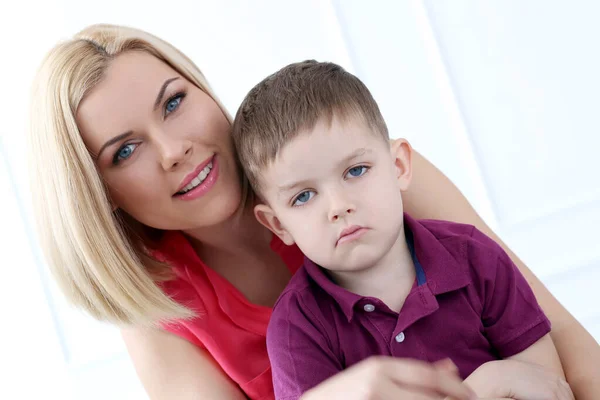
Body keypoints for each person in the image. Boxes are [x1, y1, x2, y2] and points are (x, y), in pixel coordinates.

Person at [28, 23, 599, 400]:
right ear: (99, 194)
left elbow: (560, 336)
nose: (174, 148)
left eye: (174, 102)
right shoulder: (156, 306)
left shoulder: (369, 175)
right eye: (126, 151)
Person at [231, 60, 571, 400]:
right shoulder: (296, 329)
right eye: (304, 196)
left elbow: (549, 386)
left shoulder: (475, 258)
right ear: (278, 225)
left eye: (356, 170)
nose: (338, 207)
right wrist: (484, 386)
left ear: (399, 167)